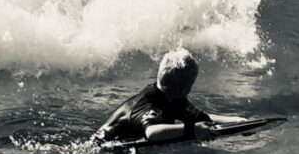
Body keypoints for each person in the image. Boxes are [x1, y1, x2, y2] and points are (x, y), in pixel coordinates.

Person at [92, 50, 246, 144]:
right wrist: (192, 130)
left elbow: (201, 118)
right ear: (185, 88)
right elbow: (152, 133)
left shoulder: (174, 98)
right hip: (102, 146)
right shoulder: (150, 102)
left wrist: (236, 121)